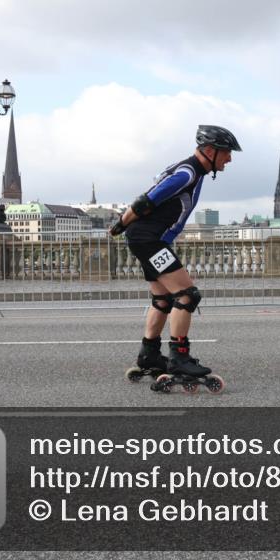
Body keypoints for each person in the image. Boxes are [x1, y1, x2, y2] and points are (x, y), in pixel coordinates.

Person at [110, 124, 241, 381]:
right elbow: (147, 200)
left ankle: (149, 356)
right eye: (226, 152)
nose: (230, 158)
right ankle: (179, 358)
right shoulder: (187, 173)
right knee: (187, 295)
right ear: (211, 150)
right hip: (150, 240)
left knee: (163, 299)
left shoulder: (193, 170)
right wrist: (122, 223)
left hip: (148, 239)